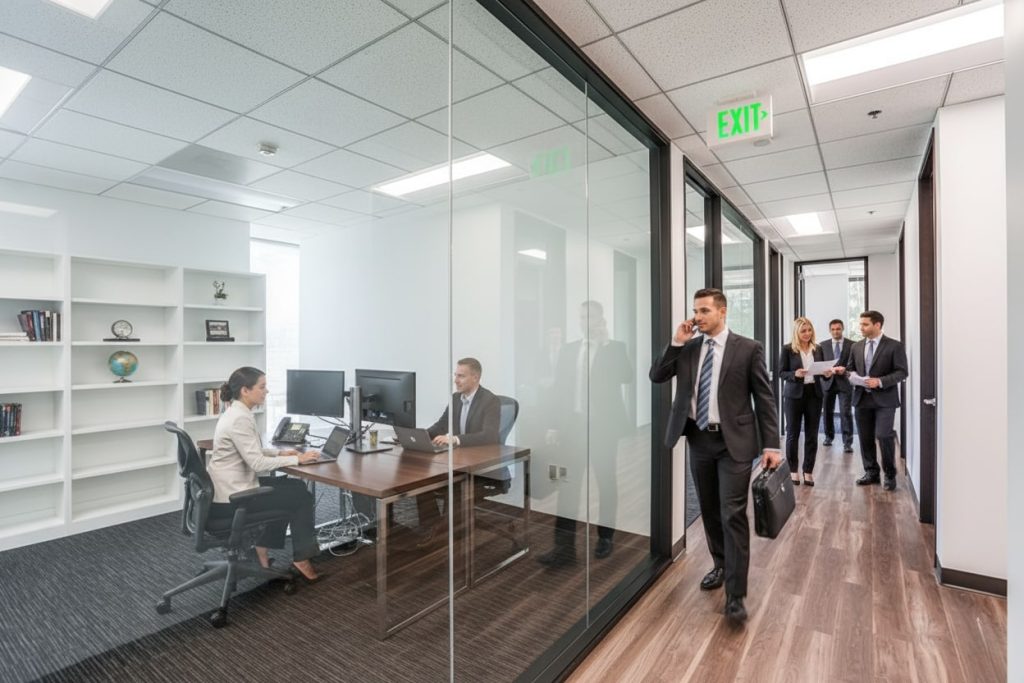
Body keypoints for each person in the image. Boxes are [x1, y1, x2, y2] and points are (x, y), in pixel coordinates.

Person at [649, 288, 780, 625]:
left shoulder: (748, 348)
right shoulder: (689, 348)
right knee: (709, 509)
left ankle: (736, 595)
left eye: (704, 310)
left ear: (722, 311)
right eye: (696, 311)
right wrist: (676, 343)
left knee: (732, 513)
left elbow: (764, 398)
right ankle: (720, 564)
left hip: (734, 442)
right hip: (699, 440)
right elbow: (657, 375)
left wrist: (772, 445)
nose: (698, 317)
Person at [537, 301, 633, 566]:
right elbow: (559, 391)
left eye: (589, 317)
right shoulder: (569, 350)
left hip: (603, 428)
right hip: (573, 427)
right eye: (581, 317)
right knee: (568, 485)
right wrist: (553, 425)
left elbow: (627, 376)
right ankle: (563, 548)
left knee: (606, 482)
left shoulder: (614, 348)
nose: (584, 321)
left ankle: (605, 537)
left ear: (600, 319)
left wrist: (605, 343)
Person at [207, 366, 324, 582]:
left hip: (228, 490)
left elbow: (250, 450)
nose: (267, 391)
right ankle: (301, 559)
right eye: (262, 387)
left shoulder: (235, 412)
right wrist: (298, 459)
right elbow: (257, 463)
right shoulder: (240, 418)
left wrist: (280, 453)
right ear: (245, 390)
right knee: (300, 497)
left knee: (294, 487)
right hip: (233, 499)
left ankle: (262, 550)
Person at [415, 358, 501, 545]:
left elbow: (490, 435)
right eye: (455, 375)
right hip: (458, 460)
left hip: (481, 467)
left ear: (475, 377)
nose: (455, 380)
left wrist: (455, 439)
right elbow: (441, 425)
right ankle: (432, 526)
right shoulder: (455, 399)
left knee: (453, 484)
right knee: (419, 478)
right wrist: (419, 436)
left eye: (461, 376)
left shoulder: (490, 401)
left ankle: (449, 532)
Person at [848, 311, 908, 491]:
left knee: (883, 435)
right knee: (865, 438)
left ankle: (889, 474)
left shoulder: (895, 346)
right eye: (860, 324)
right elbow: (851, 369)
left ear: (877, 325)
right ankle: (871, 472)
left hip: (885, 400)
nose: (861, 327)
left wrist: (880, 381)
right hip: (861, 399)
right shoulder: (856, 346)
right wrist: (850, 375)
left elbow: (902, 372)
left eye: (865, 324)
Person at [778, 317, 830, 486]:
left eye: (809, 330)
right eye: (803, 331)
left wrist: (826, 373)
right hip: (794, 395)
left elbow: (822, 371)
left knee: (812, 434)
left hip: (814, 394)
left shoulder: (818, 348)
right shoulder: (787, 349)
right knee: (792, 433)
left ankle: (808, 471)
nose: (807, 334)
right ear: (796, 332)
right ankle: (793, 470)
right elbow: (781, 372)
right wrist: (795, 374)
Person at [821, 319, 854, 453]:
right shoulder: (822, 345)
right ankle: (828, 437)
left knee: (845, 412)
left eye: (838, 329)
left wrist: (845, 370)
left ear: (842, 329)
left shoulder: (852, 345)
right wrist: (825, 372)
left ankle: (847, 442)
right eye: (833, 329)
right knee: (827, 412)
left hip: (844, 383)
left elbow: (854, 364)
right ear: (830, 330)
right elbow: (820, 364)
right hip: (827, 383)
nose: (835, 332)